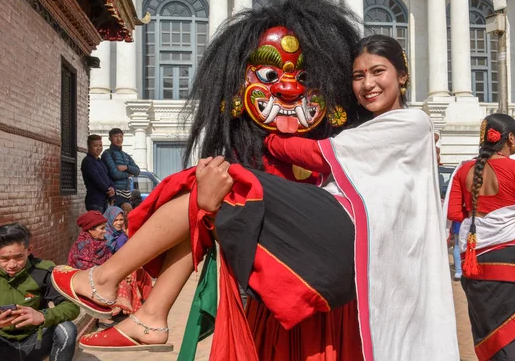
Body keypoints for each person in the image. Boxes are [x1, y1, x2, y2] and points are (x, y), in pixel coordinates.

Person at [52, 33, 459, 360]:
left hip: (340, 233)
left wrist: (269, 138)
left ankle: (107, 281)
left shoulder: (410, 122)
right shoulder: (361, 131)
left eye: (378, 72)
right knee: (208, 197)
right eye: (357, 76)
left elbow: (315, 155)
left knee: (224, 178)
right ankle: (150, 314)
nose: (367, 84)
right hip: (313, 244)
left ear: (402, 76)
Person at [447, 114, 515, 360]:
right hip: (512, 261)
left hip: (474, 261)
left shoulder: (463, 170)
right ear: (510, 138)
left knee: (487, 331)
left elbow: (455, 213)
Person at [0, 224, 79, 361]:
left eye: (18, 257)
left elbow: (72, 306)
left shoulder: (43, 272)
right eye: (4, 259)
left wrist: (43, 316)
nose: (12, 265)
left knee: (67, 330)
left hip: (36, 343)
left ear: (29, 250)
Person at [67, 211, 153, 318]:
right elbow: (88, 271)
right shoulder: (83, 246)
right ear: (90, 229)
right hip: (87, 282)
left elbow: (111, 261)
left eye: (105, 228)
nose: (104, 232)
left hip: (102, 276)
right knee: (120, 283)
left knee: (131, 273)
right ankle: (112, 313)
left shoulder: (101, 244)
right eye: (101, 229)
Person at [102, 128, 140, 207]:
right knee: (115, 218)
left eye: (121, 136)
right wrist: (128, 174)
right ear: (110, 138)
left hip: (127, 194)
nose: (119, 139)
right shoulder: (107, 154)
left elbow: (137, 171)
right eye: (115, 136)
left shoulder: (126, 155)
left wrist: (126, 167)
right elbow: (114, 174)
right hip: (114, 193)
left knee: (126, 217)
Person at [81, 134, 115, 212]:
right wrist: (109, 191)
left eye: (100, 145)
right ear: (89, 147)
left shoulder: (100, 162)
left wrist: (113, 189)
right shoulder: (88, 161)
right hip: (95, 201)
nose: (99, 148)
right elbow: (97, 179)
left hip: (104, 200)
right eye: (95, 146)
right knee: (98, 224)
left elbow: (108, 177)